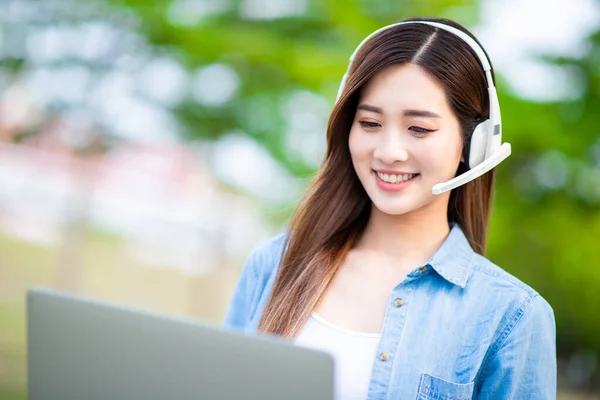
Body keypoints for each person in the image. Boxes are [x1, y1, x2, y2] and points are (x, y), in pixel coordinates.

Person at [223, 16, 556, 400]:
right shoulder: (273, 264)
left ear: (475, 143)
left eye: (419, 129)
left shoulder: (512, 316)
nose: (388, 152)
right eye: (369, 123)